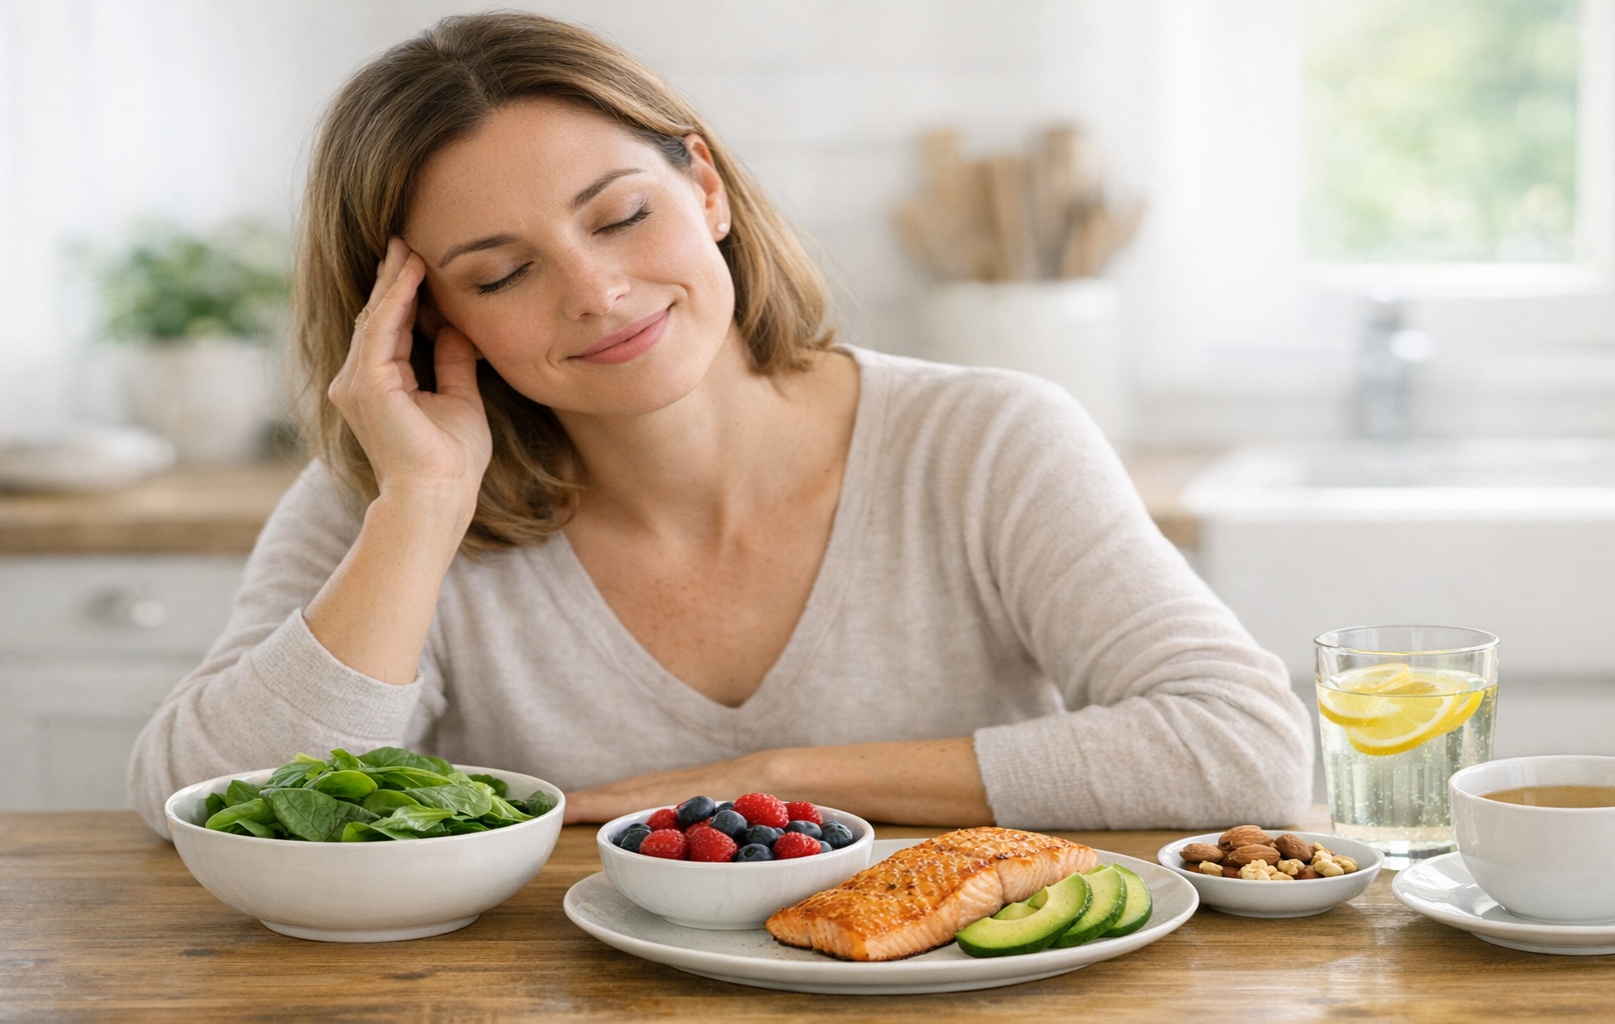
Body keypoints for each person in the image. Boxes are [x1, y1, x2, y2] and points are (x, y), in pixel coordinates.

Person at [127, 11, 1312, 837]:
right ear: (423, 316)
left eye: (621, 214)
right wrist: (422, 510)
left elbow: (1243, 746)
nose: (593, 292)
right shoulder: (391, 495)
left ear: (705, 188)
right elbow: (202, 802)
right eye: (499, 275)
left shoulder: (985, 441)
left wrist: (772, 779)